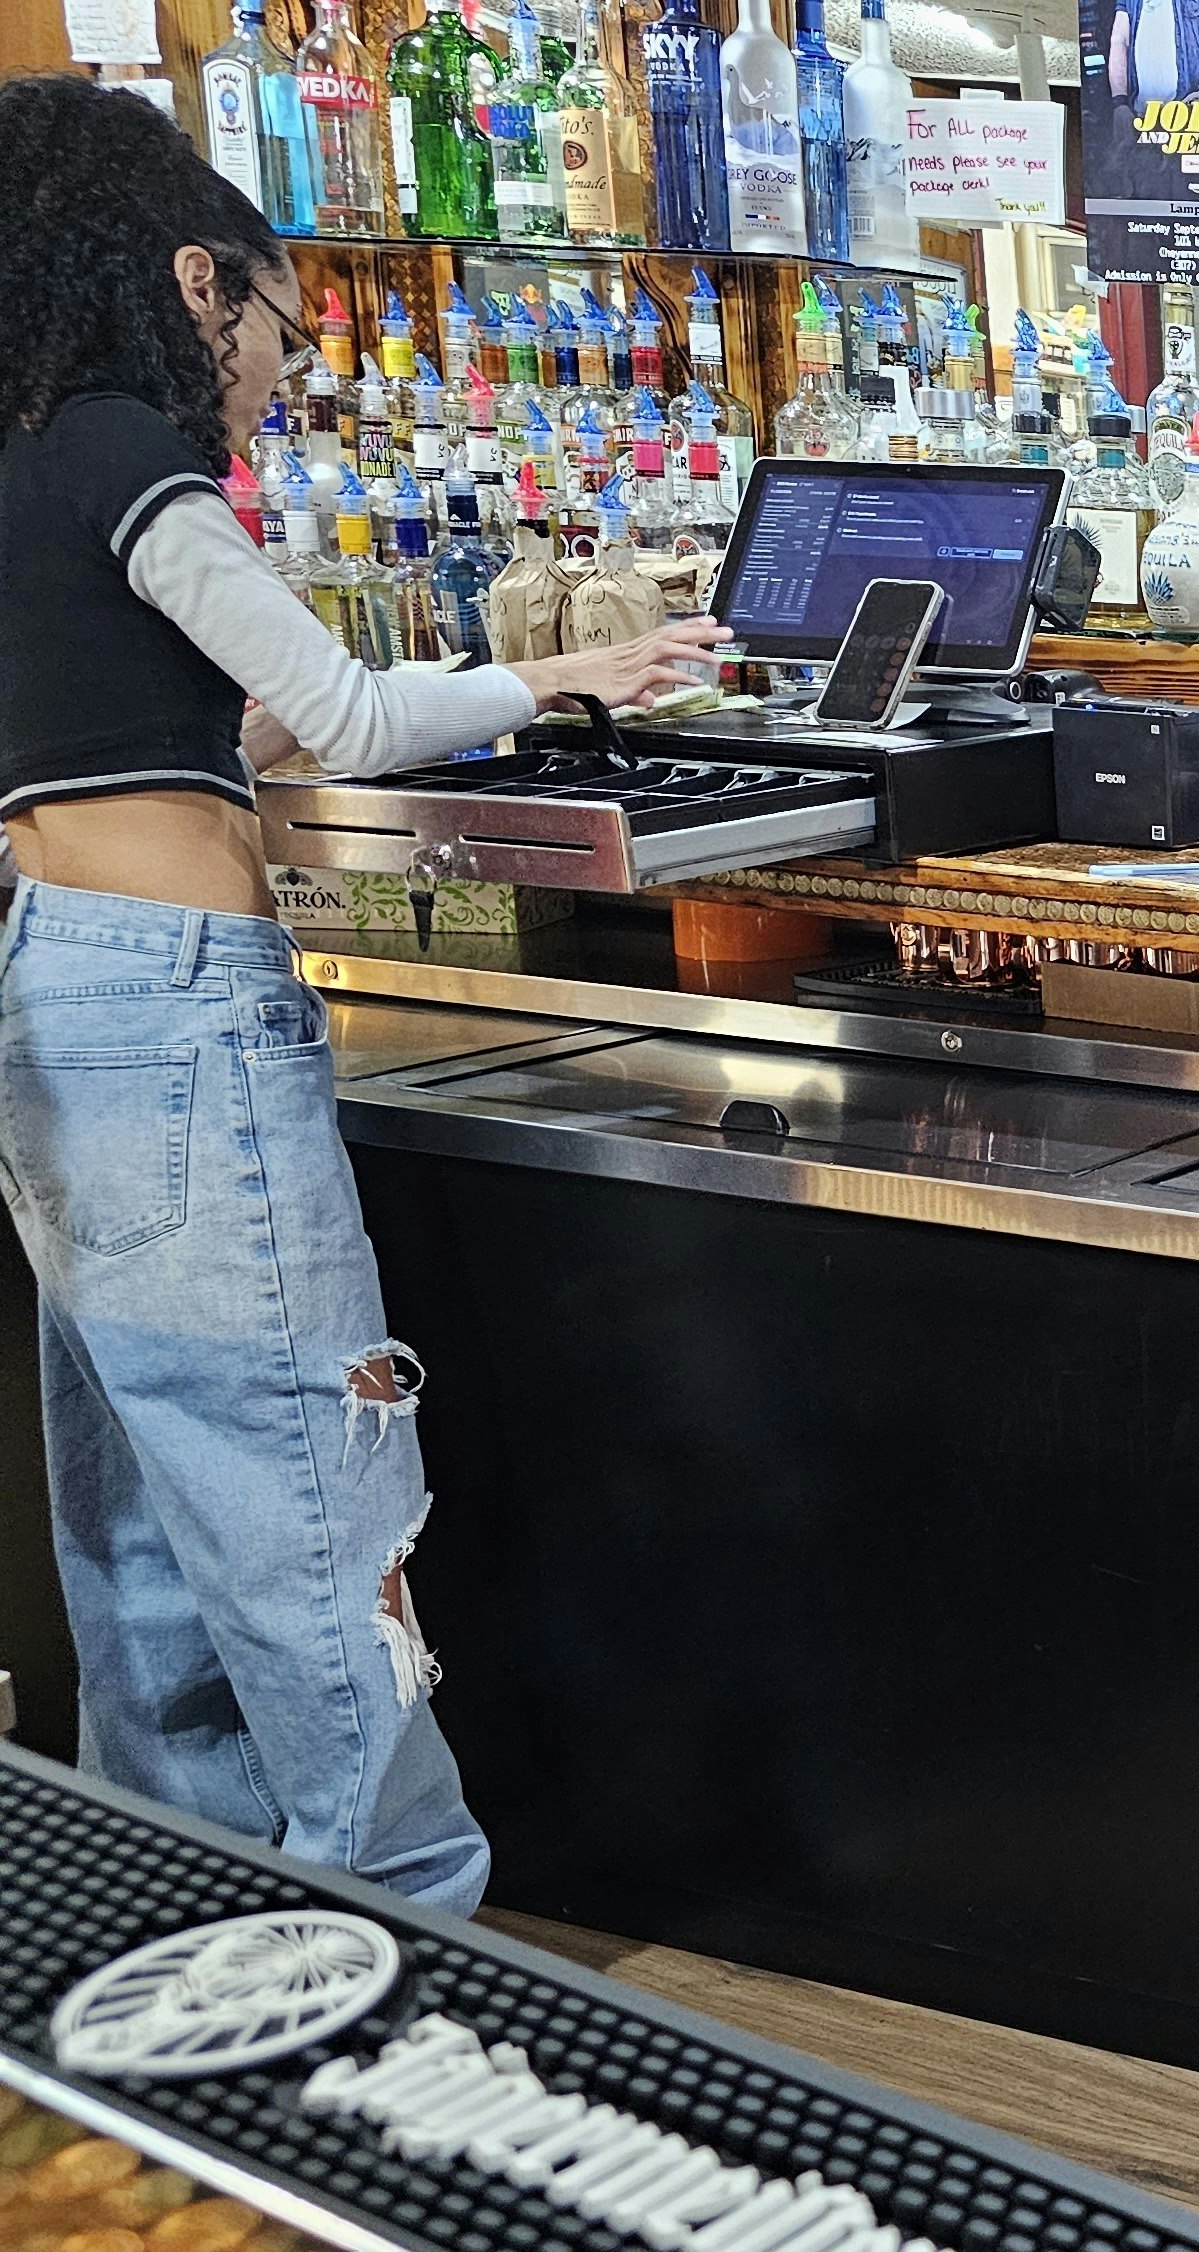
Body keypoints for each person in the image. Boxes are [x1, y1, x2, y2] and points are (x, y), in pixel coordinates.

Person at [0, 77, 727, 1912]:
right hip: (175, 1006)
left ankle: (182, 1949)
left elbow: (138, 739)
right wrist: (592, 675)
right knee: (315, 1510)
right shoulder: (119, 452)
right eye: (275, 326)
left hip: (49, 999)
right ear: (188, 279)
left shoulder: (13, 461)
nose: (277, 378)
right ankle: (401, 1956)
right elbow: (350, 715)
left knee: (147, 1522)